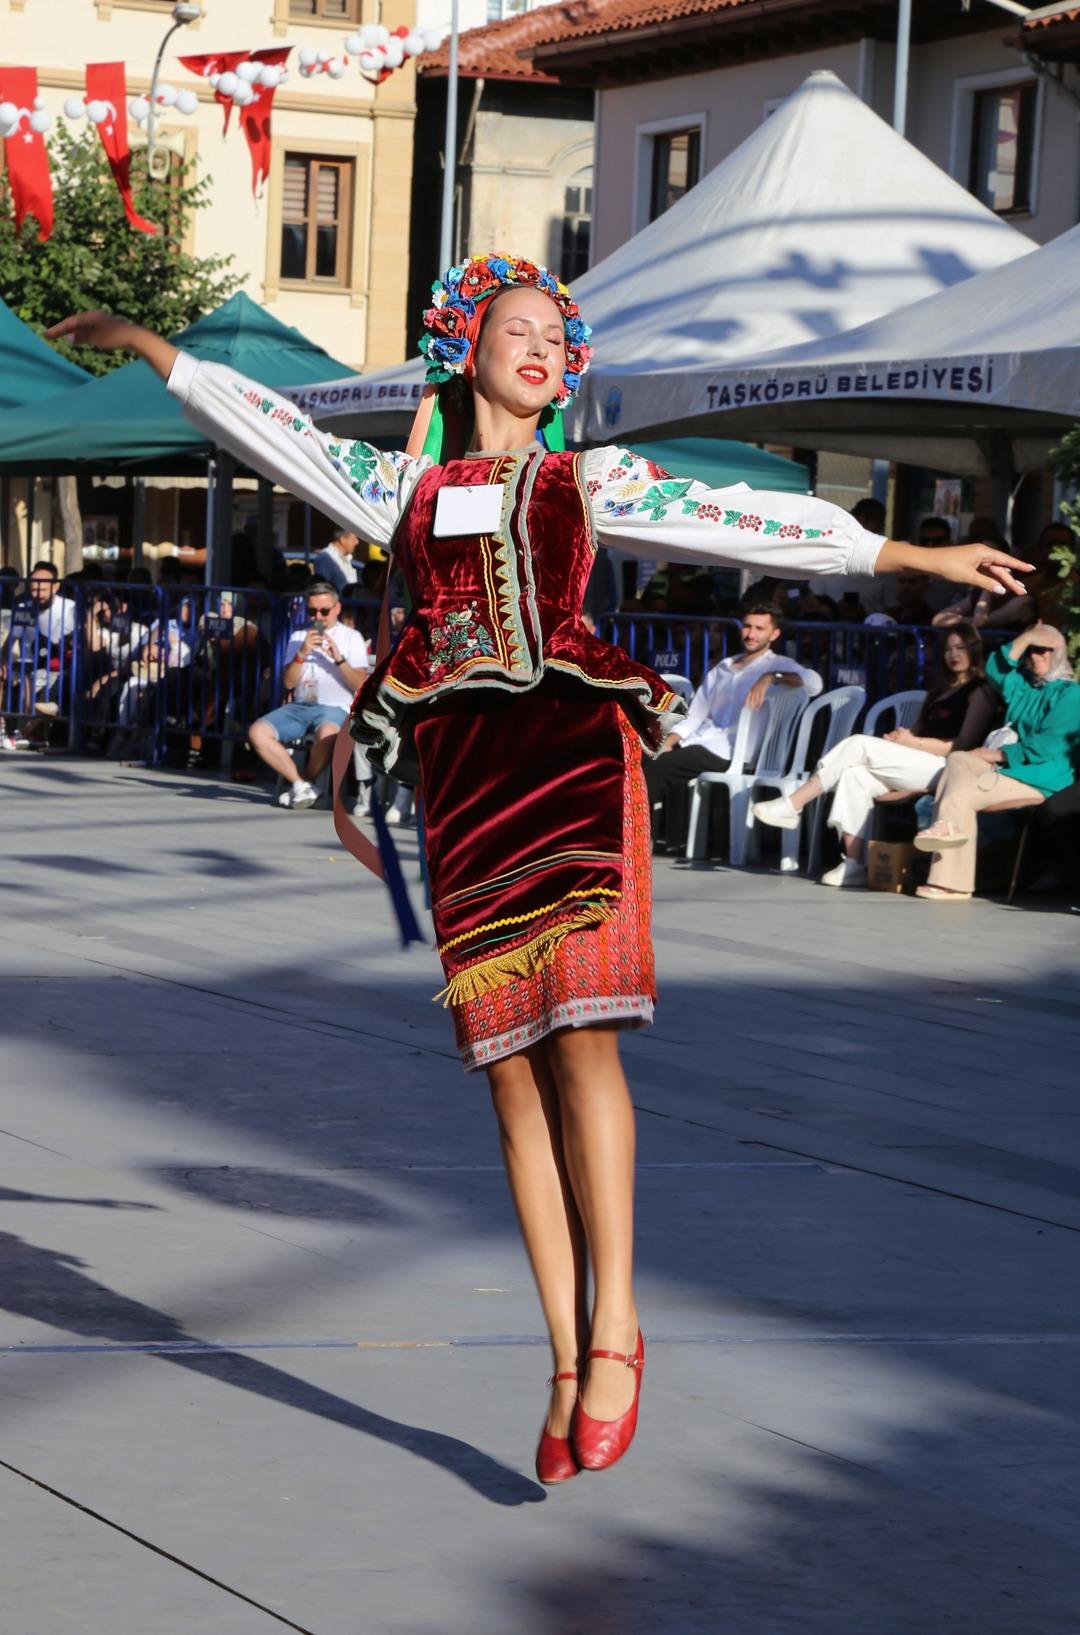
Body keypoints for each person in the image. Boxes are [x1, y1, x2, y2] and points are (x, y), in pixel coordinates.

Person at [48, 260, 1028, 1483]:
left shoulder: (585, 479)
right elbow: (279, 433)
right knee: (511, 1075)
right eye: (515, 330)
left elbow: (740, 517)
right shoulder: (404, 488)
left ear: (569, 371)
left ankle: (618, 1326)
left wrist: (909, 553)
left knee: (585, 1043)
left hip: (569, 758)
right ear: (468, 350)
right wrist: (159, 350)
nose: (538, 348)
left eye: (555, 340)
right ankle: (565, 1358)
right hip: (466, 785)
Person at [753, 623, 997, 886]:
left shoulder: (980, 691)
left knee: (858, 744)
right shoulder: (937, 692)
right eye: (948, 649)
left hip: (950, 767)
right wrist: (900, 740)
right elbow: (914, 734)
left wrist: (914, 742)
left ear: (974, 649)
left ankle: (794, 803)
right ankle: (854, 864)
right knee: (854, 774)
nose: (953, 654)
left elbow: (962, 744)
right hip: (920, 761)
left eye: (961, 647)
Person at [913, 623, 1080, 901]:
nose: (1035, 655)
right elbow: (995, 669)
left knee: (960, 795)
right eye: (1031, 650)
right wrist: (1026, 636)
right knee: (959, 759)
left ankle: (951, 882)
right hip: (1012, 769)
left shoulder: (1071, 694)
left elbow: (1048, 747)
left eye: (1044, 650)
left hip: (1041, 777)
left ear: (1060, 653)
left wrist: (998, 754)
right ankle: (948, 833)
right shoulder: (1026, 687)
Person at [643, 601, 822, 851]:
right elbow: (696, 712)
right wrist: (670, 740)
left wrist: (771, 677)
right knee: (644, 756)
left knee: (658, 767)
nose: (751, 634)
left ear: (774, 634)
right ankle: (644, 833)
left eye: (759, 628)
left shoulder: (778, 665)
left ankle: (629, 832)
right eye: (747, 627)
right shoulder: (725, 666)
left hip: (732, 751)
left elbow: (815, 683)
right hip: (701, 741)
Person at [248, 581, 368, 809]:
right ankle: (300, 784)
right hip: (300, 706)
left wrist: (339, 659)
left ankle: (302, 783)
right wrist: (301, 654)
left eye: (324, 611)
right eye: (312, 611)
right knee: (257, 732)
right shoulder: (298, 637)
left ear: (337, 608)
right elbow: (288, 682)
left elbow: (361, 684)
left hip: (336, 708)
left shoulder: (352, 637)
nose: (318, 617)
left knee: (327, 734)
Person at [312, 526, 363, 596]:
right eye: (354, 539)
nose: (357, 542)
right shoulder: (326, 558)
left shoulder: (346, 558)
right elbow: (321, 589)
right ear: (343, 540)